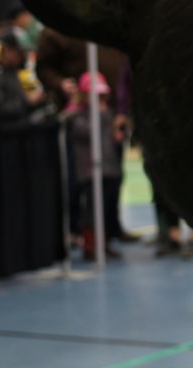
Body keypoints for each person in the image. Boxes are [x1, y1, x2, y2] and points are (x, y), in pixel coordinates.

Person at [36, 27, 137, 243]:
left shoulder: (111, 22)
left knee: (113, 177)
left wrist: (121, 110)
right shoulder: (57, 29)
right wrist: (60, 84)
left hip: (110, 117)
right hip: (81, 120)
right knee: (80, 182)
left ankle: (111, 226)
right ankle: (78, 230)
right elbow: (43, 68)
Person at [65, 71, 124, 261]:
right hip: (89, 170)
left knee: (106, 208)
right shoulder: (77, 116)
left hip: (109, 167)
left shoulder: (107, 113)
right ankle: (90, 245)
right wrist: (99, 113)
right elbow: (87, 132)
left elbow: (113, 138)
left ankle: (104, 243)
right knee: (91, 210)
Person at [0, 32, 47, 126]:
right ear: (7, 50)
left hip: (20, 133)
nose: (22, 57)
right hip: (3, 135)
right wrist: (27, 101)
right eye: (19, 52)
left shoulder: (14, 73)